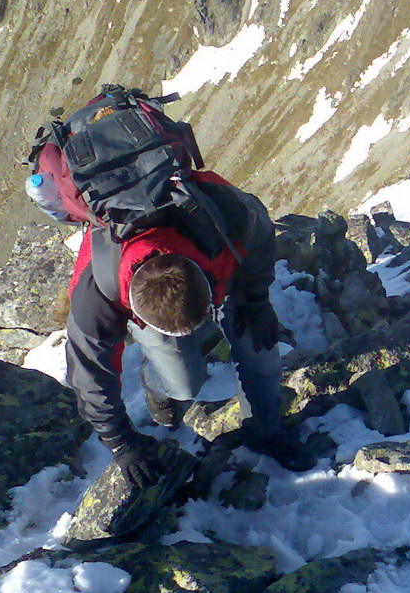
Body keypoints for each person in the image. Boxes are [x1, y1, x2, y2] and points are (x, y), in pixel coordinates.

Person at [64, 170, 315, 487]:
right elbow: (89, 376)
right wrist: (121, 443)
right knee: (183, 385)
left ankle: (265, 430)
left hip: (220, 268)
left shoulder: (227, 215)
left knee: (260, 350)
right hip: (156, 282)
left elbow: (261, 234)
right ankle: (156, 385)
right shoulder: (96, 295)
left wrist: (255, 299)